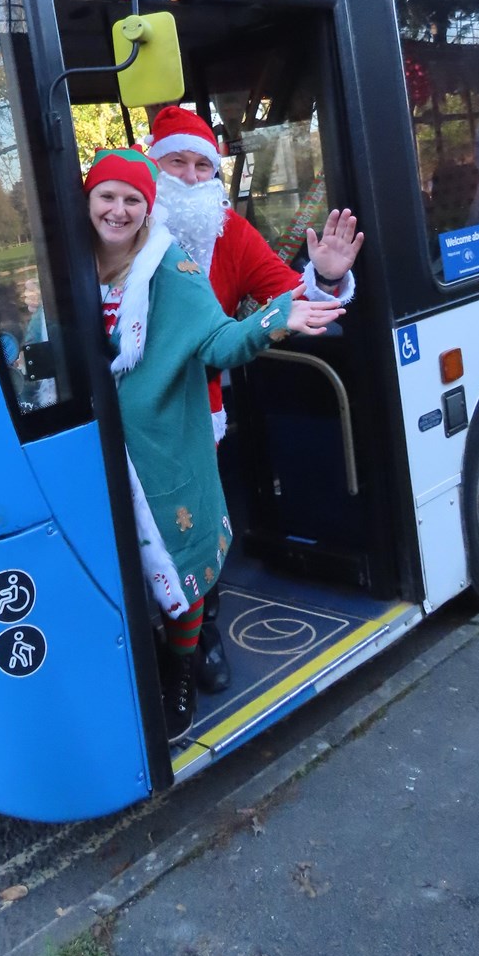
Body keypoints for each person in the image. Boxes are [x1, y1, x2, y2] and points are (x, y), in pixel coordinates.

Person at [84, 146, 346, 741]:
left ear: (149, 209)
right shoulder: (65, 268)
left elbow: (222, 340)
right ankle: (155, 651)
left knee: (183, 568)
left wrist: (299, 300)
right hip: (93, 455)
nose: (120, 210)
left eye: (132, 199)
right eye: (108, 197)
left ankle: (183, 665)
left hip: (167, 446)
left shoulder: (171, 268)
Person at [145, 105, 364, 693]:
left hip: (199, 415)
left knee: (194, 531)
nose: (190, 178)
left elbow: (291, 297)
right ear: (151, 163)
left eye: (201, 166)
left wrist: (325, 278)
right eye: (176, 163)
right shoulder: (125, 224)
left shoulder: (230, 232)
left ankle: (200, 632)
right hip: (129, 422)